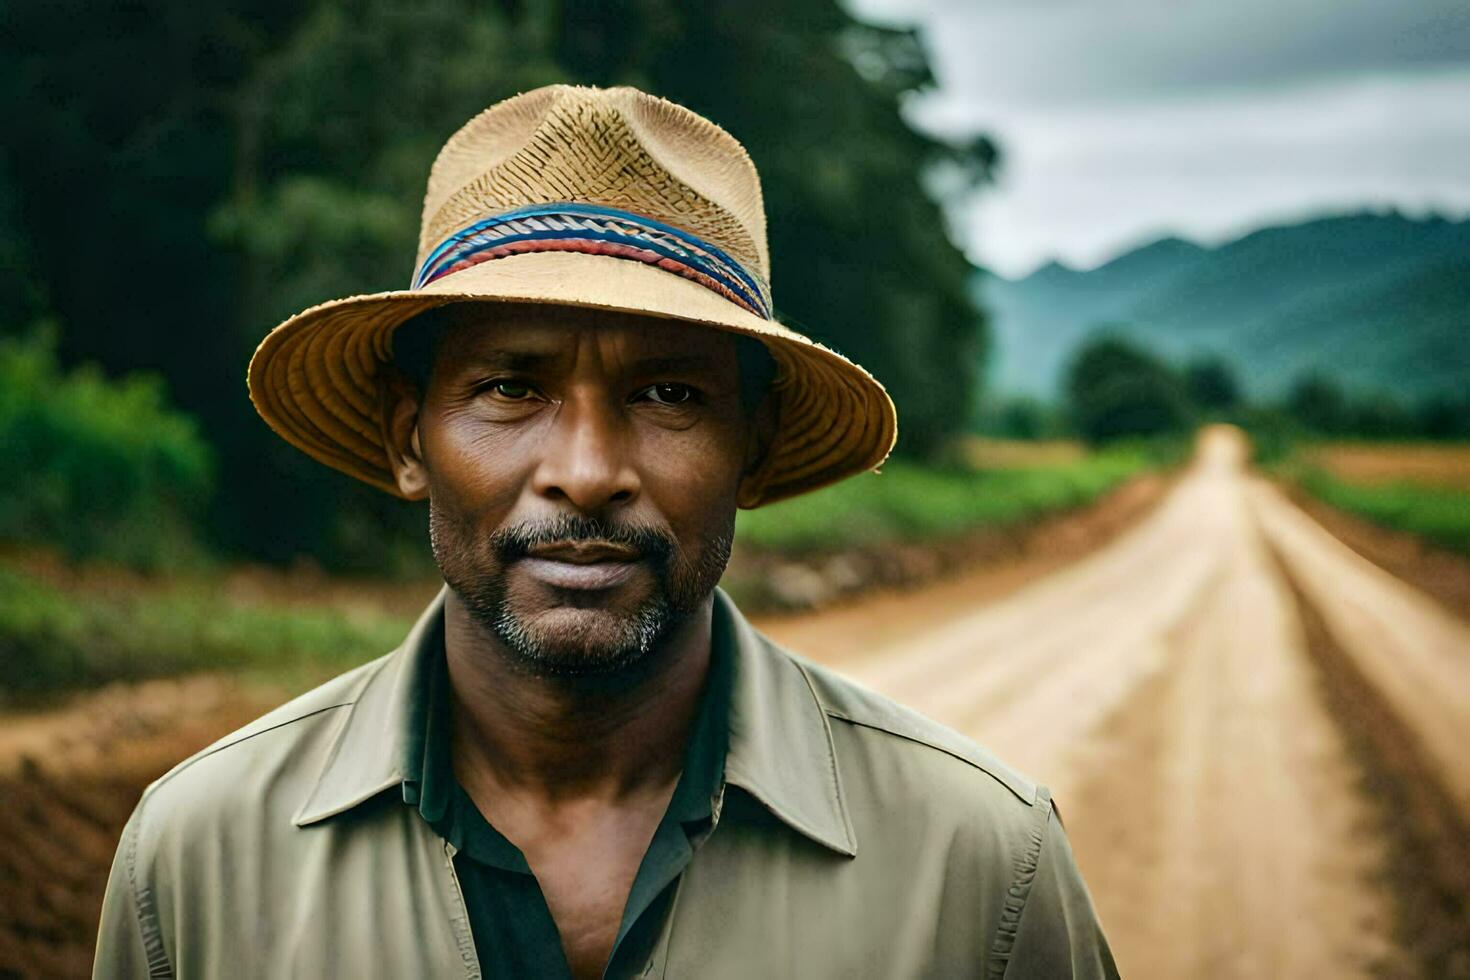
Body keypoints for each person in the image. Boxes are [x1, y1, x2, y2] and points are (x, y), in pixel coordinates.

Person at [94, 84, 1118, 979]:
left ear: (752, 452)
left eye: (667, 390)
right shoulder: (198, 861)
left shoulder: (982, 864)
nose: (585, 473)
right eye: (509, 385)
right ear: (410, 442)